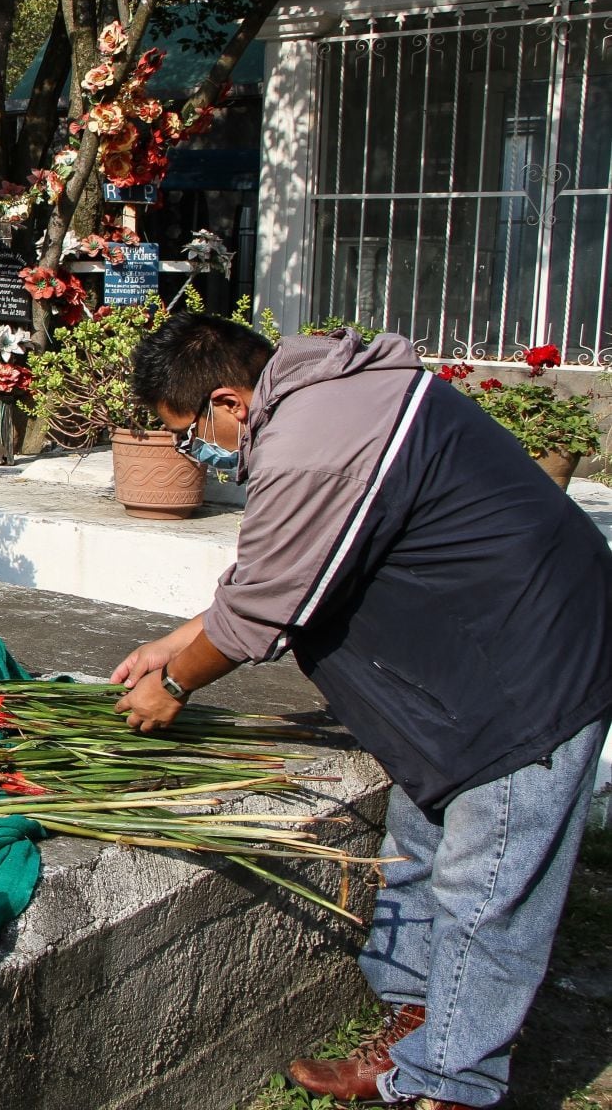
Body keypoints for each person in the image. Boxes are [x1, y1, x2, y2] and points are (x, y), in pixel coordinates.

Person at [110, 313, 612, 1110]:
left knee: (486, 893)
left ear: (229, 402)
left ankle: (450, 1085)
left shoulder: (313, 440)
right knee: (415, 844)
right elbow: (274, 571)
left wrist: (174, 686)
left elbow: (264, 612)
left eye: (187, 434)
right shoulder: (327, 396)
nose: (192, 453)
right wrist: (171, 643)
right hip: (456, 670)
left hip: (526, 675)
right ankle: (417, 1027)